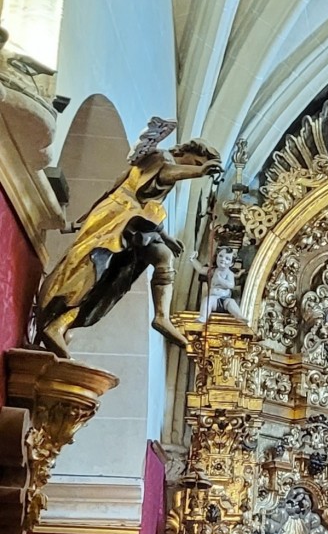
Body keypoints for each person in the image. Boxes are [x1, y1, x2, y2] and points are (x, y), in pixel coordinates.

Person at [36, 118, 222, 358]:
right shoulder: (160, 158)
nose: (194, 167)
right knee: (93, 270)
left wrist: (165, 237)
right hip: (116, 217)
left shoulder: (165, 168)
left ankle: (161, 317)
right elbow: (164, 175)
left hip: (131, 220)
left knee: (154, 260)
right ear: (185, 152)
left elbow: (149, 206)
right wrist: (198, 172)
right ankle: (58, 322)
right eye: (195, 161)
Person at [189, 245, 243, 321]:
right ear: (217, 257)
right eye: (220, 256)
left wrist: (220, 280)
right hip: (214, 299)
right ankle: (203, 317)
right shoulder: (213, 271)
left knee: (232, 302)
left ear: (231, 263)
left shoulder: (229, 273)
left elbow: (231, 285)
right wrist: (192, 259)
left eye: (227, 258)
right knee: (207, 301)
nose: (223, 259)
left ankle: (239, 316)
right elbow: (201, 269)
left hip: (225, 300)